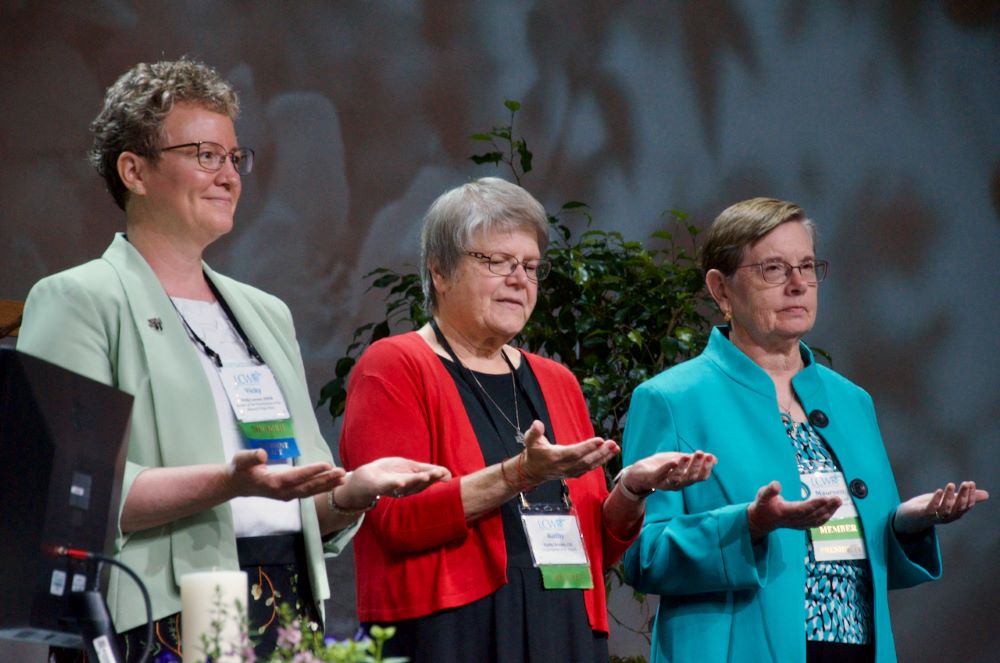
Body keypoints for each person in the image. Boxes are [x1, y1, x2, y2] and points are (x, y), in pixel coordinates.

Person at [16, 59, 450, 662]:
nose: (228, 176)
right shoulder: (80, 299)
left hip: (286, 599)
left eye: (234, 157)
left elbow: (297, 496)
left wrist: (354, 493)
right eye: (204, 155)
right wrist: (229, 481)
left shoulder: (265, 312)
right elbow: (64, 493)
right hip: (161, 606)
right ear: (134, 170)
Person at [338, 176, 716, 663]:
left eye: (530, 266)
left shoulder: (556, 381)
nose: (519, 278)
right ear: (440, 271)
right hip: (450, 630)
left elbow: (596, 543)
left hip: (565, 626)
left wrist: (632, 490)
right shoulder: (394, 366)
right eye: (497, 261)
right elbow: (396, 519)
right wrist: (521, 474)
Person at [621, 197, 989, 663]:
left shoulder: (851, 402)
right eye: (773, 269)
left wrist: (906, 523)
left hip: (855, 648)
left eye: (807, 266)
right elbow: (645, 556)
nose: (798, 285)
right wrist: (749, 524)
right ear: (721, 290)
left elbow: (860, 553)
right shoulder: (671, 399)